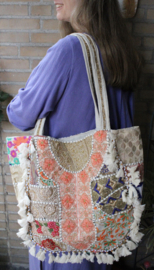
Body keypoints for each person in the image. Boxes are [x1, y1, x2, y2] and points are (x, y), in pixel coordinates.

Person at [7, 0, 142, 269]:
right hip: (107, 214)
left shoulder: (68, 50)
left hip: (66, 219)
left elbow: (20, 115)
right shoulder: (122, 52)